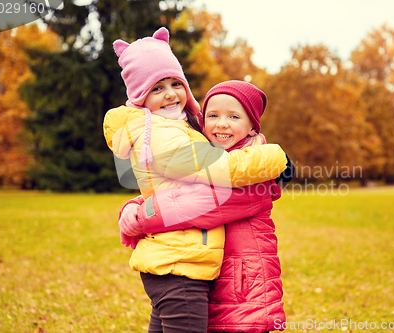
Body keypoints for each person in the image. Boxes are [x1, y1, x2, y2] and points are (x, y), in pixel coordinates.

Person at [103, 28, 288, 333]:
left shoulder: (251, 174)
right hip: (185, 265)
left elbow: (198, 200)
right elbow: (194, 190)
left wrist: (141, 213)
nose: (221, 124)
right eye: (213, 115)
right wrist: (134, 206)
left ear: (252, 127)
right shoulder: (172, 136)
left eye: (176, 84)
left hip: (241, 283)